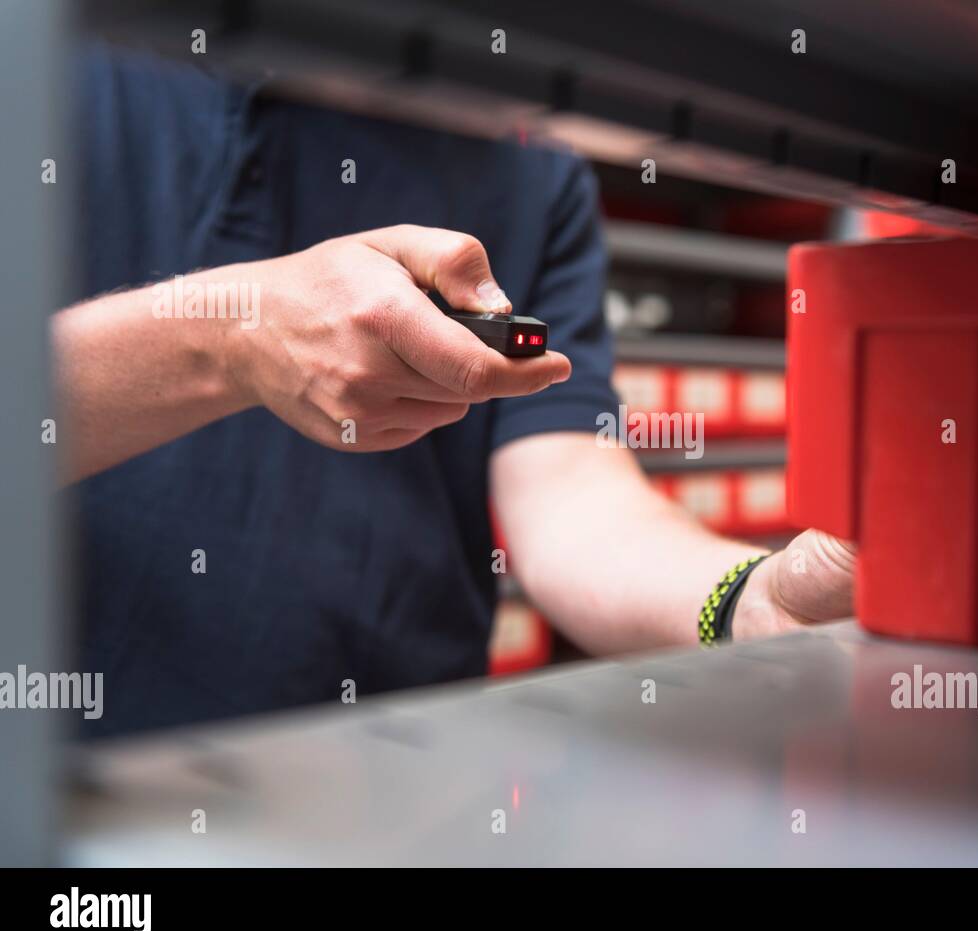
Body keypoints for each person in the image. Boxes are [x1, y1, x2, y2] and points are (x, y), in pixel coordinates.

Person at [57, 46, 855, 737]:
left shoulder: (533, 166)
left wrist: (752, 600)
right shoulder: (59, 59)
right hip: (70, 789)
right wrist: (227, 334)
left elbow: (575, 503)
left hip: (403, 779)